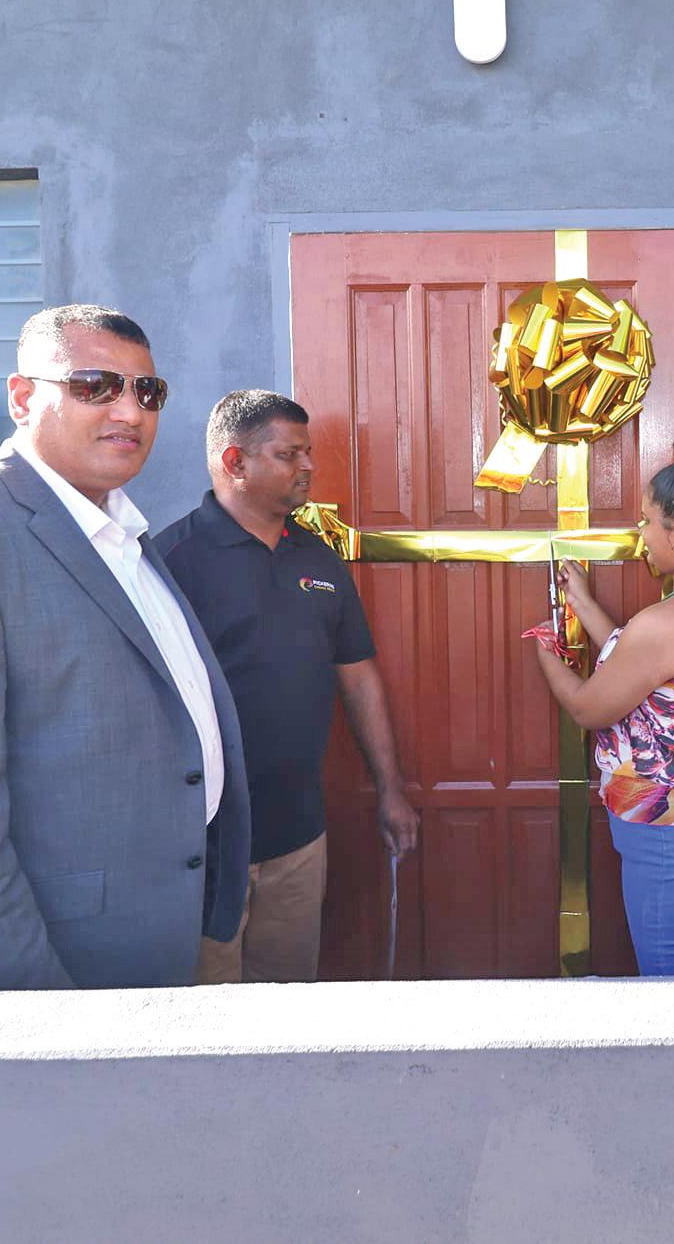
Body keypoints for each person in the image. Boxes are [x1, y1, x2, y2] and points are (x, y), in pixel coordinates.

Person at [0, 304, 251, 990]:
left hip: (157, 936)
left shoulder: (118, 532)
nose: (130, 411)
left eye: (148, 391)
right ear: (22, 397)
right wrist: (33, 1021)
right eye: (95, 386)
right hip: (54, 974)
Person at [159, 390, 419, 983]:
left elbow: (357, 676)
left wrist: (391, 789)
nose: (309, 466)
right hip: (205, 844)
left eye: (308, 452)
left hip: (300, 835)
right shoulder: (172, 562)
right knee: (210, 1010)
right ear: (235, 462)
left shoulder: (318, 558)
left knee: (288, 1001)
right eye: (288, 454)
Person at [530, 435, 674, 976]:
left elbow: (589, 708)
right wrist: (584, 603)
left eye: (647, 521)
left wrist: (544, 653)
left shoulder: (669, 623)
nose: (640, 536)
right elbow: (645, 667)